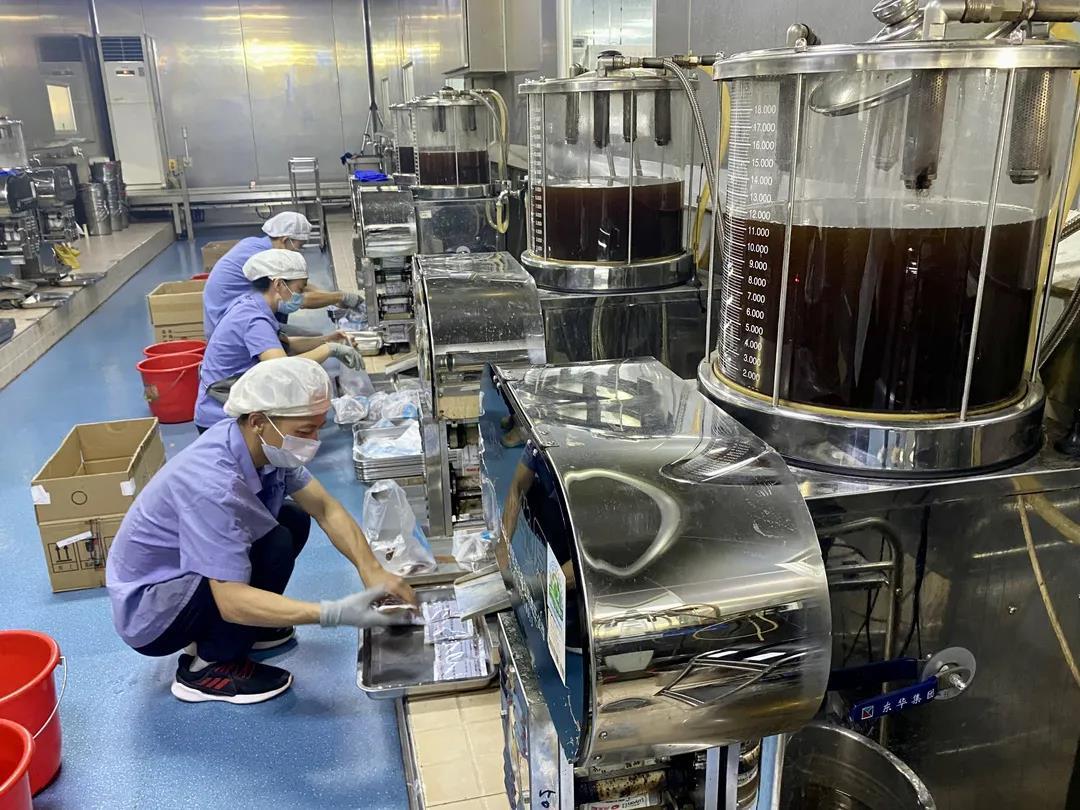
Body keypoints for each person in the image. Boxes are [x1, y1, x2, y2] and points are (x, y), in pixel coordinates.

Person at [106, 358, 418, 705]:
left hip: (185, 577)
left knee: (291, 517)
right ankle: (208, 667)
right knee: (274, 542)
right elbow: (232, 601)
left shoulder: (259, 447)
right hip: (153, 614)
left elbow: (325, 507)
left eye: (318, 428)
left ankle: (245, 631)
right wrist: (333, 612)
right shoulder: (214, 485)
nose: (313, 441)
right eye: (305, 431)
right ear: (257, 421)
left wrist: (371, 569)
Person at [194, 249, 363, 432]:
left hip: (232, 398)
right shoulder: (253, 319)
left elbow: (284, 344)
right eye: (300, 289)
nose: (301, 296)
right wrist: (330, 349)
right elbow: (281, 368)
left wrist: (327, 339)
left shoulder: (253, 303)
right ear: (279, 284)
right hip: (220, 415)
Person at [202, 212, 361, 337]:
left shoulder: (259, 244)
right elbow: (296, 298)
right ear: (285, 240)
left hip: (235, 314)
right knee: (313, 341)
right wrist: (340, 297)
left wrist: (332, 298)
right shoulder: (262, 256)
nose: (299, 251)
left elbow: (297, 285)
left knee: (312, 338)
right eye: (299, 246)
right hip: (229, 325)